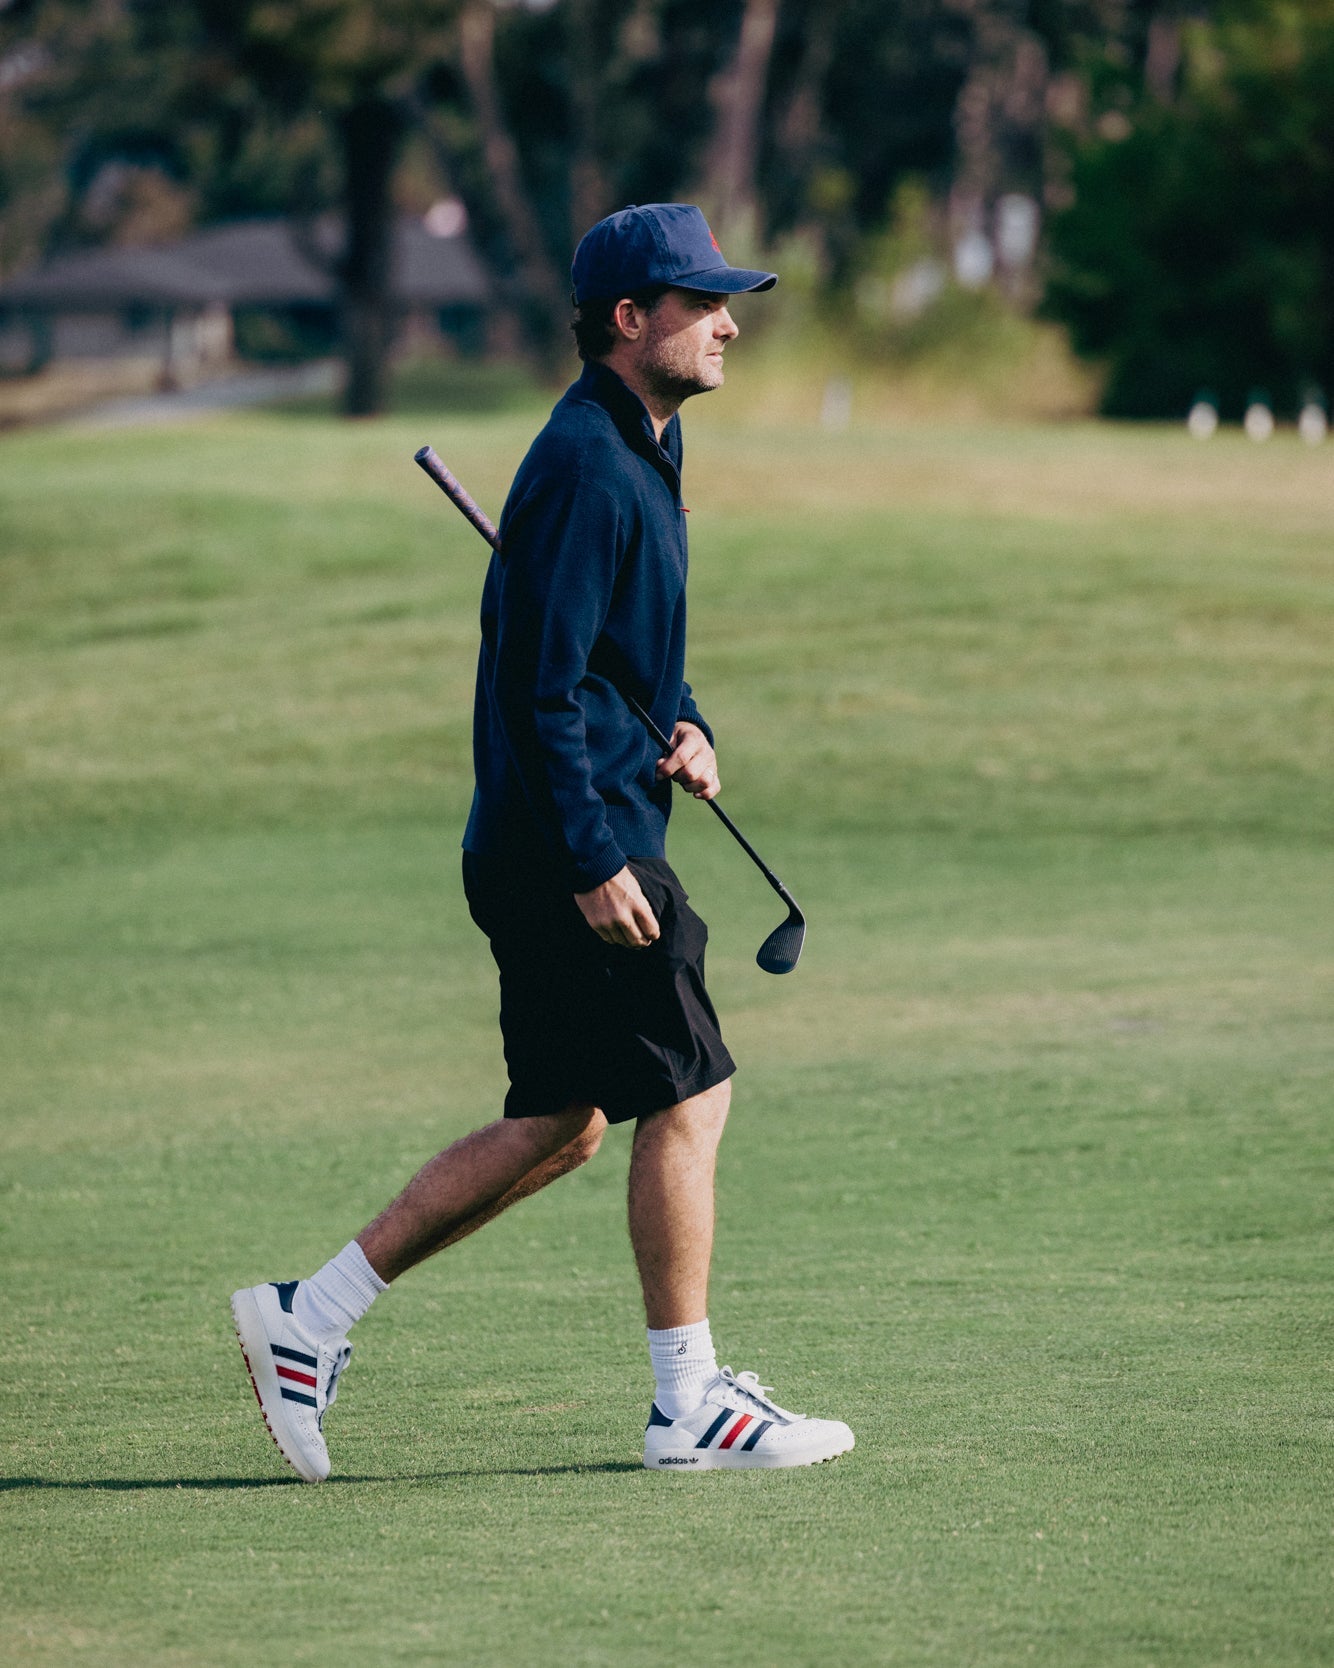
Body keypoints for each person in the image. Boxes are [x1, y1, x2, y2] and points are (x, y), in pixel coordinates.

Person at [231, 203, 854, 1479]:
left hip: (577, 830)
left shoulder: (640, 448)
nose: (729, 323)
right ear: (630, 321)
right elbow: (536, 686)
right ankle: (688, 1405)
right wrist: (589, 859)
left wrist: (682, 721)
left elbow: (612, 660)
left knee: (567, 1122)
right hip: (574, 850)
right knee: (691, 1089)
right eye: (701, 304)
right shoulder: (583, 462)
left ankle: (309, 1319)